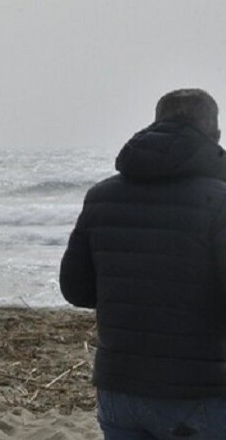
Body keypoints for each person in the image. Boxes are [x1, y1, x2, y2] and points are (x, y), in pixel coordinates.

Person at [60, 88, 226, 439]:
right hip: (200, 392)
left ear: (155, 124)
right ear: (215, 134)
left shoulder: (101, 195)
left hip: (119, 386)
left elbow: (75, 289)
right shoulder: (220, 201)